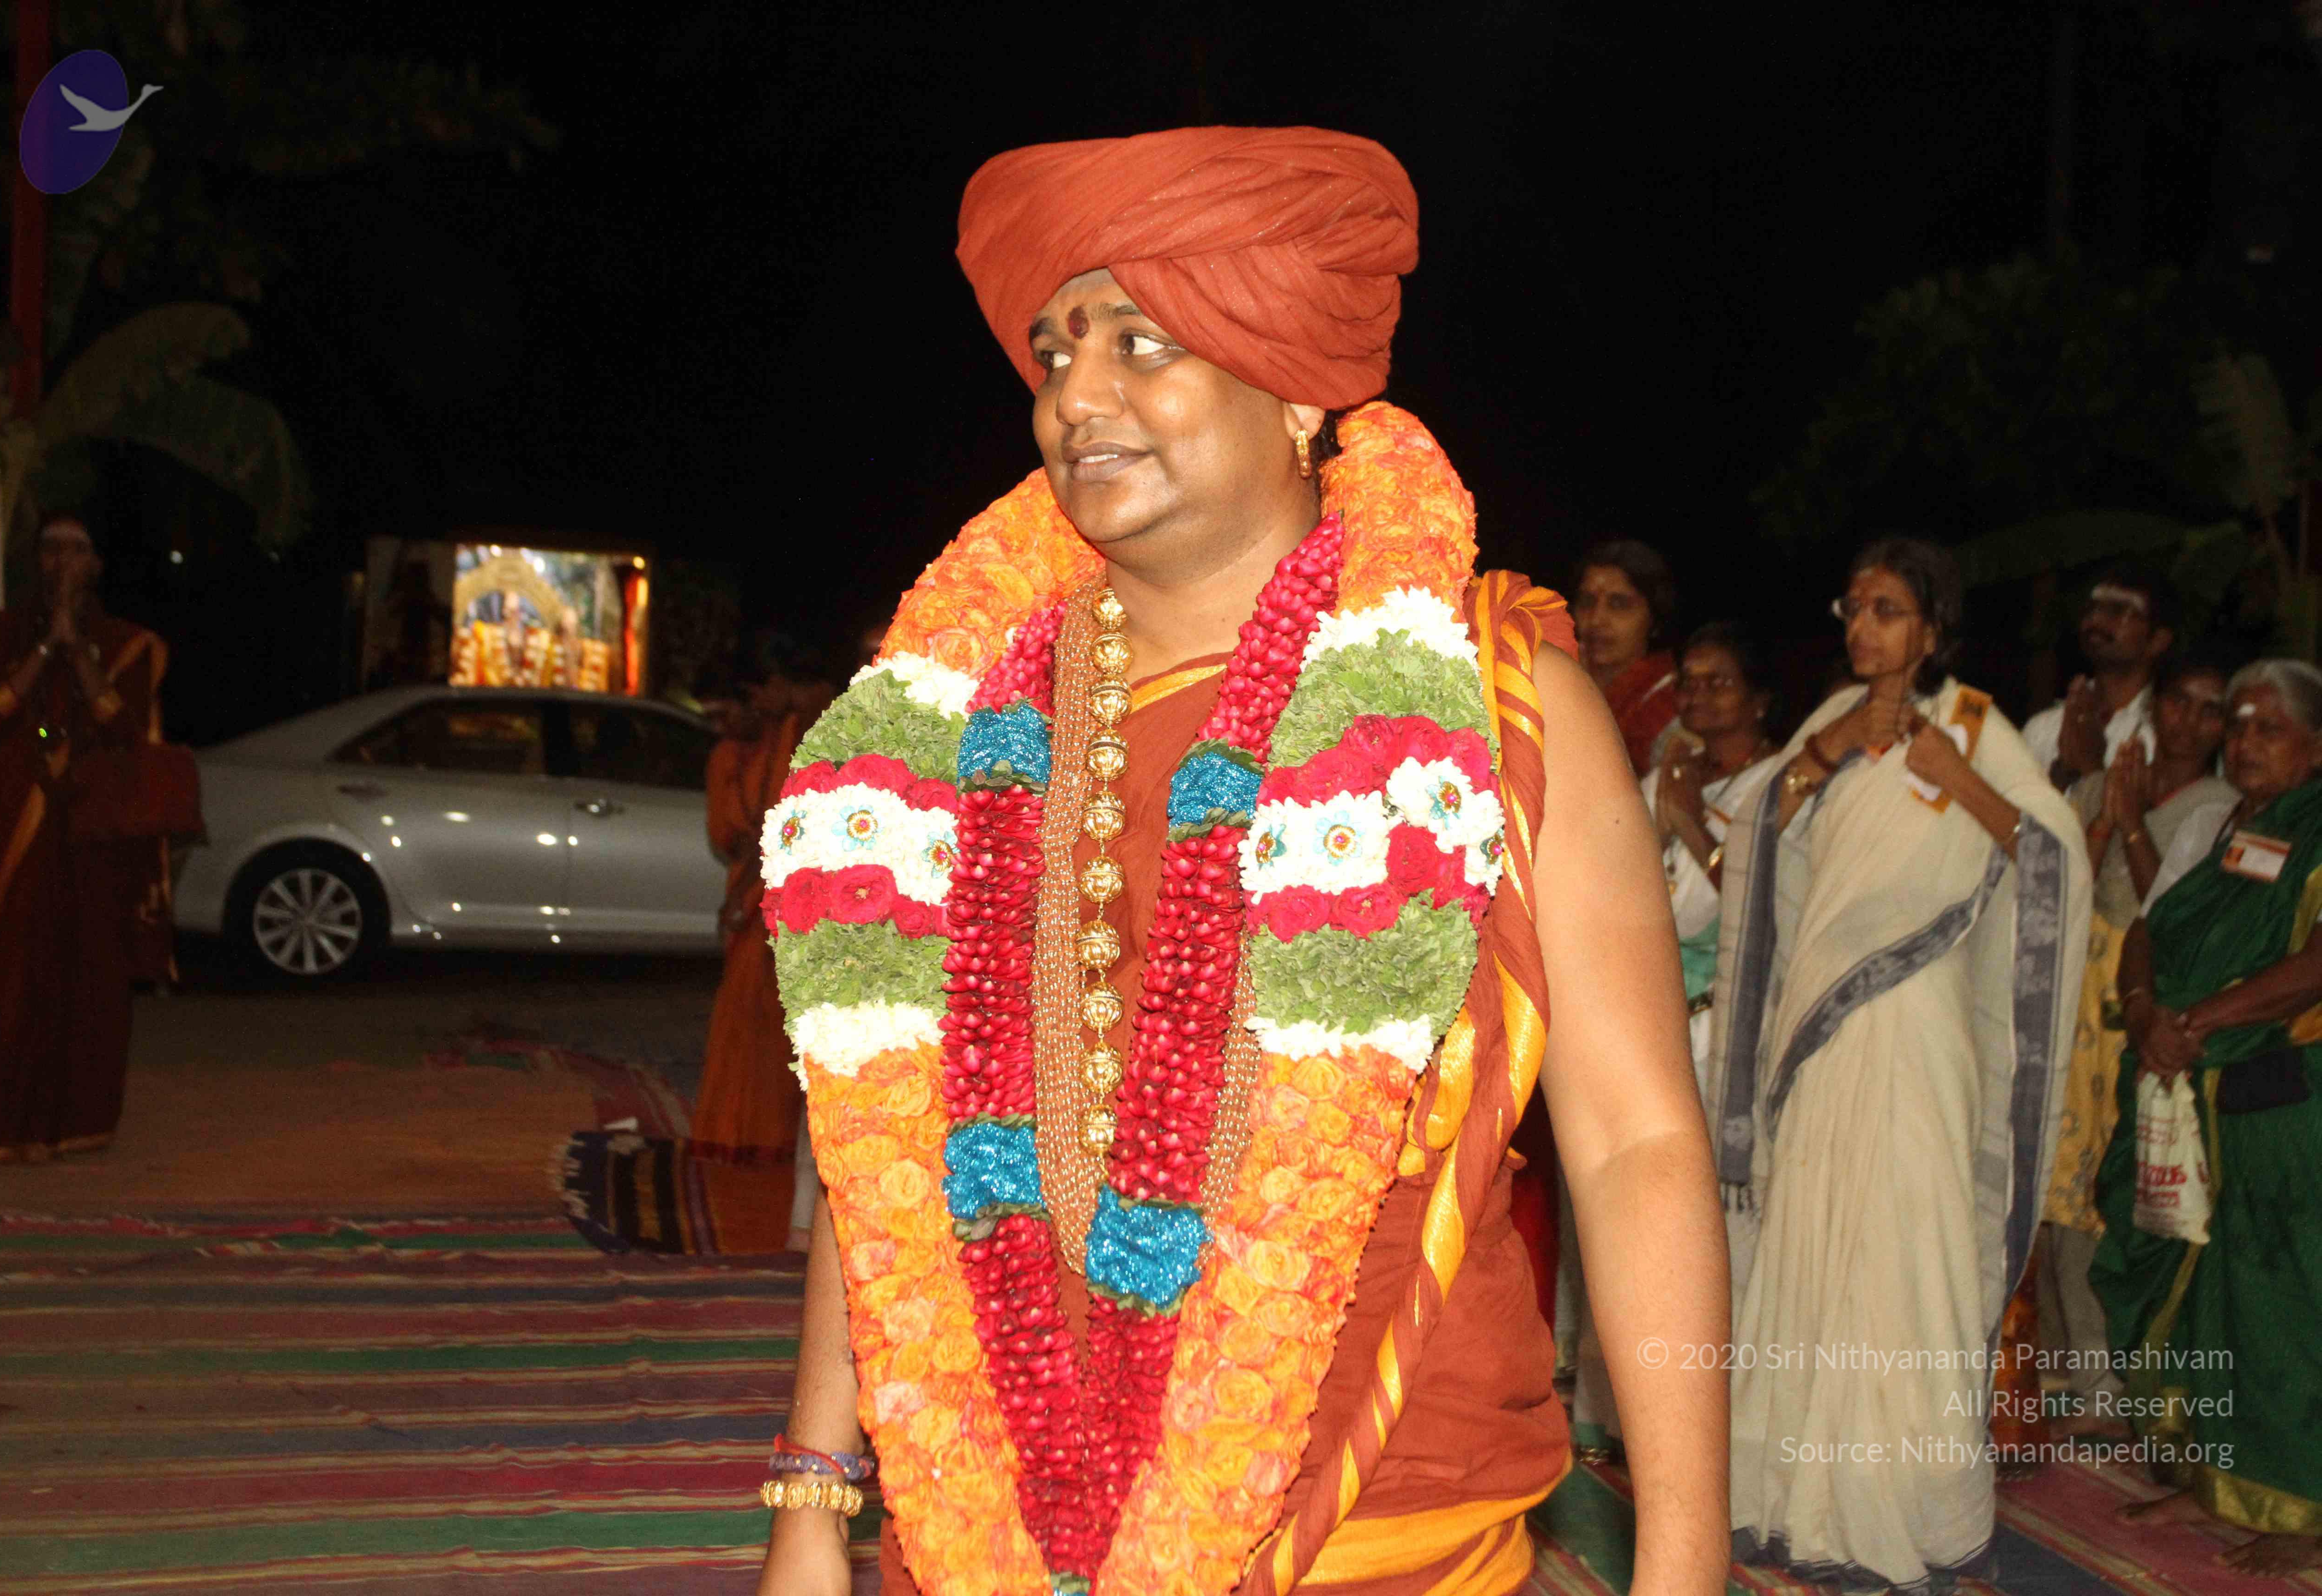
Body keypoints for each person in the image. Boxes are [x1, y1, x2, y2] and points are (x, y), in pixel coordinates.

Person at [754, 126, 1728, 1596]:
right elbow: (884, 1137)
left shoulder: (1488, 704)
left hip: (1387, 1522)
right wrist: (813, 1498)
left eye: (1138, 344)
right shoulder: (955, 726)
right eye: (1053, 353)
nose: (1075, 397)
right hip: (989, 1528)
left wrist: (1687, 1560)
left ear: (1294, 386)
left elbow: (1637, 1143)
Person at [1709, 537, 2090, 1591]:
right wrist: (1824, 759)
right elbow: (1756, 847)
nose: (1861, 629)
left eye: (1885, 610)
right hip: (1819, 1042)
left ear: (1931, 627)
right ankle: (1797, 1499)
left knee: (1902, 1259)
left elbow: (2052, 856)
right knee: (1816, 1244)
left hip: (1919, 1032)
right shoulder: (1830, 720)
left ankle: (1895, 1507)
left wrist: (1958, 782)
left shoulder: (1973, 725)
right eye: (1852, 609)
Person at [2091, 659, 2322, 1578]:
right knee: (2206, 1298)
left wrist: (2197, 1024)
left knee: (2280, 1304)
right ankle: (2215, 1476)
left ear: (2316, 746)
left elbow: (2313, 965)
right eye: (2238, 725)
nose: (2245, 742)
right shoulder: (2229, 825)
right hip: (2188, 1090)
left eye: (2270, 728)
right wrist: (2145, 1010)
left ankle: (2300, 1503)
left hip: (2276, 1098)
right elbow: (2148, 927)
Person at [1565, 620, 1788, 1458]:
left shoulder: (1778, 785)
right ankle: (1626, 1420)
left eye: (1718, 682)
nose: (1697, 697)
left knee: (1713, 1235)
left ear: (1760, 699)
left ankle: (1719, 1432)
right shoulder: (1661, 776)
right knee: (1630, 1222)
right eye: (1688, 682)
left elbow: (1766, 907)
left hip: (1731, 1030)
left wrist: (1689, 823)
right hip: (1651, 1026)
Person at [2038, 657, 2232, 1438]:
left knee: (2109, 1194)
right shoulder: (2105, 782)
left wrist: (2128, 823)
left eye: (2210, 709)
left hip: (2138, 999)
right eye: (2178, 702)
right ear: (2155, 707)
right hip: (2074, 992)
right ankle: (2061, 1367)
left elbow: (2173, 910)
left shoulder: (2220, 806)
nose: (2189, 721)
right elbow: (2058, 887)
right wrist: (2100, 810)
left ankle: (2111, 1382)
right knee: (2057, 1188)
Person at [0, 517, 170, 1167]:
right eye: (51, 548)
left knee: (91, 970)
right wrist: (47, 647)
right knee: (15, 976)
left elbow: (123, 730)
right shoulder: (2, 632)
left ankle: (80, 1124)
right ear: (35, 561)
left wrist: (79, 652)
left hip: (95, 823)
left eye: (78, 548)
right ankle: (5, 1130)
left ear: (97, 565)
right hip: (14, 814)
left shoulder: (129, 643)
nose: (63, 559)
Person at [2023, 562, 2176, 791]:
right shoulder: (2043, 727)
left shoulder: (2163, 738)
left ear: (2158, 641)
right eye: (2091, 609)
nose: (2095, 621)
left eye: (2118, 612)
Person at [1574, 538, 1679, 776]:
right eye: (1587, 602)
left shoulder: (1671, 701)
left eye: (1619, 605)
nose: (1596, 620)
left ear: (1655, 620)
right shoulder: (1559, 682)